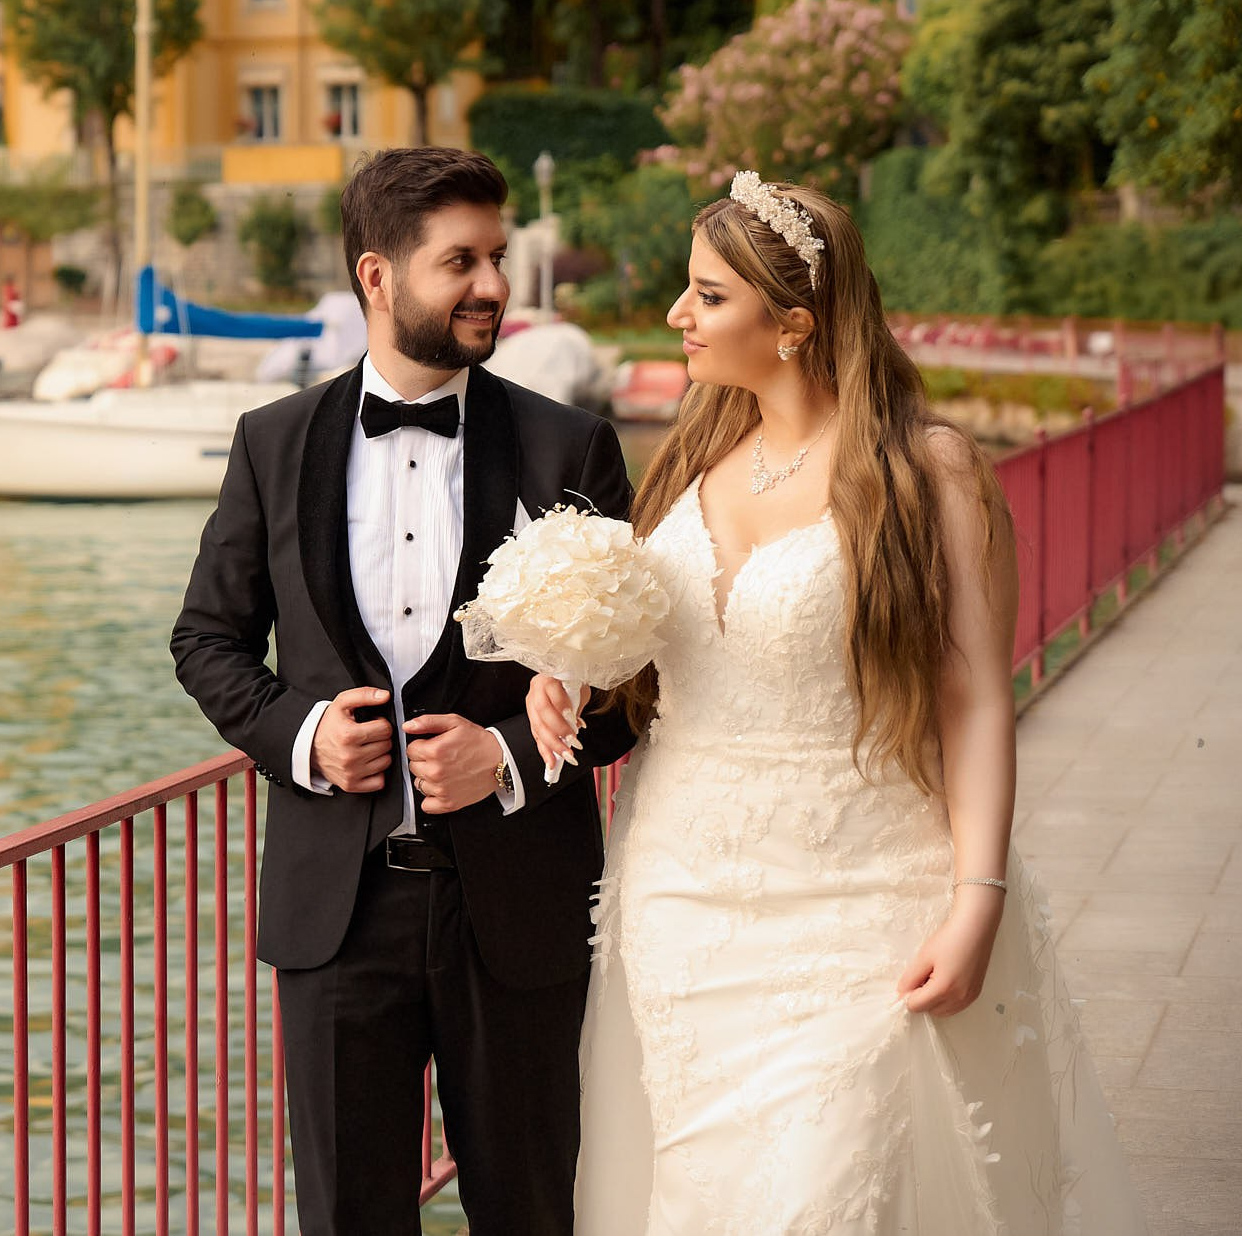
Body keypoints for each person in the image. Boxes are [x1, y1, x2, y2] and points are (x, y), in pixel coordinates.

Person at [534, 174, 1146, 1234]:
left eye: (705, 296)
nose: (677, 315)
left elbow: (971, 706)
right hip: (679, 893)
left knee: (822, 1196)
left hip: (861, 895)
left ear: (792, 324)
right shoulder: (685, 456)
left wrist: (976, 895)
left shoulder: (927, 472)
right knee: (701, 1196)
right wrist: (565, 672)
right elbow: (657, 648)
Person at [172, 147, 636, 1236]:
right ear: (377, 278)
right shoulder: (271, 444)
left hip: (515, 906)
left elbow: (627, 684)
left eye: (496, 257)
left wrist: (510, 757)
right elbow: (207, 639)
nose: (489, 285)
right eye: (458, 262)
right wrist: (301, 734)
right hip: (336, 912)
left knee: (529, 1210)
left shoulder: (570, 447)